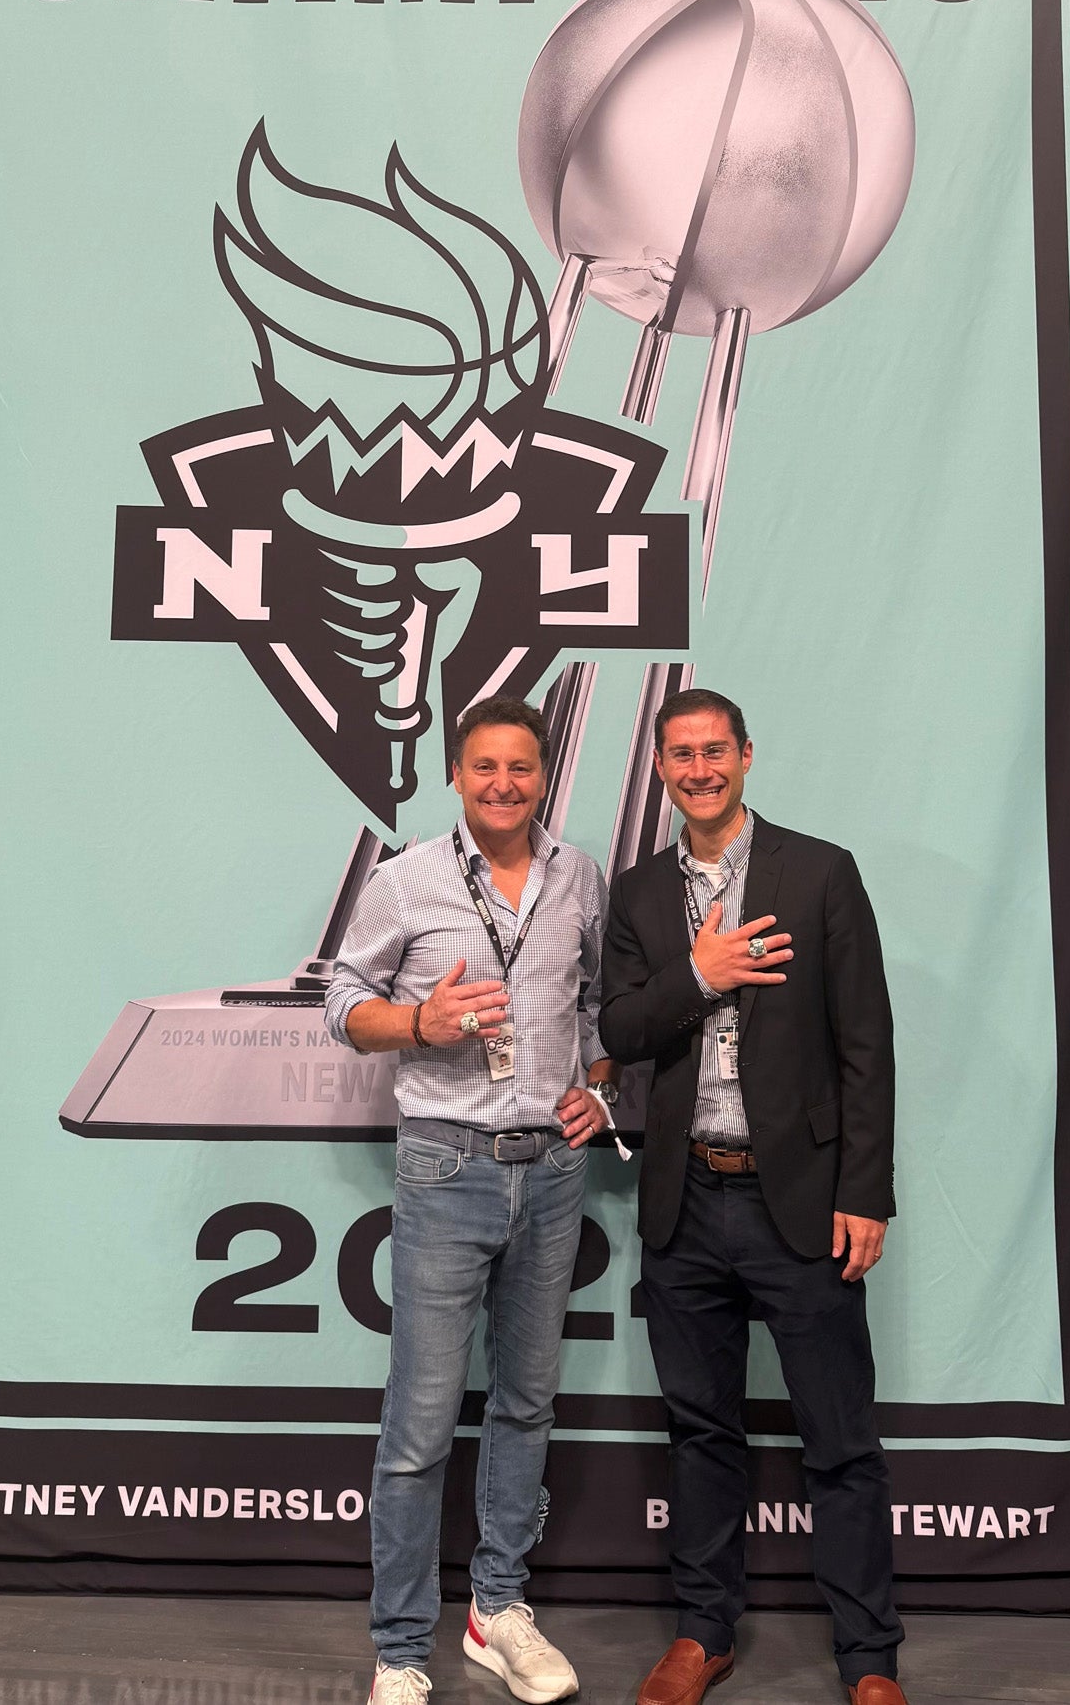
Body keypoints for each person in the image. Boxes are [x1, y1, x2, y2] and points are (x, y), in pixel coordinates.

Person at [600, 689, 907, 1705]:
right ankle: (702, 1633)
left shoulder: (817, 871)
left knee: (840, 1441)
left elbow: (865, 1045)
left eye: (713, 750)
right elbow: (622, 1031)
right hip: (683, 1205)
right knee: (700, 1434)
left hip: (803, 1206)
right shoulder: (640, 893)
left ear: (745, 755)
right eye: (679, 755)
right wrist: (697, 971)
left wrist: (864, 1193)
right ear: (658, 769)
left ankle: (867, 1658)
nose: (698, 768)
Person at [326, 696, 620, 1705]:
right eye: (484, 766)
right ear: (455, 773)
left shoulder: (576, 873)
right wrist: (419, 1020)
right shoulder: (405, 879)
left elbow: (588, 1007)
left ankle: (496, 1611)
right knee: (417, 1425)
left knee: (526, 1403)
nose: (503, 783)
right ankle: (400, 1649)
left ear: (543, 776)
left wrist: (601, 1084)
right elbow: (340, 1007)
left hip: (549, 1169)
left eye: (522, 768)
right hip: (444, 1164)